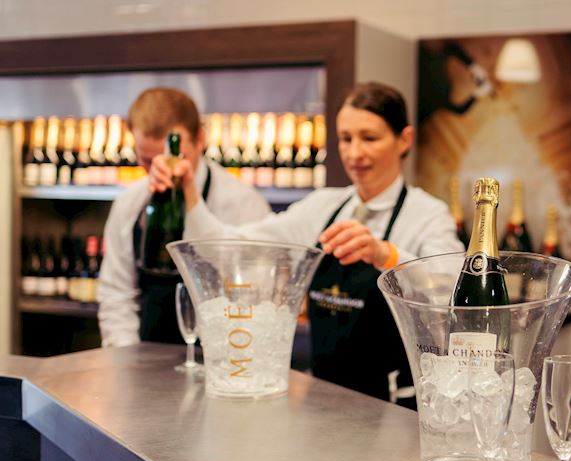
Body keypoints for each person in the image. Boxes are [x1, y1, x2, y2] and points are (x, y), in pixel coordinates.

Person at [149, 82, 463, 403]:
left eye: (369, 138)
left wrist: (385, 254)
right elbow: (229, 248)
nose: (355, 153)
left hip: (393, 405)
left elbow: (452, 292)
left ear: (404, 140)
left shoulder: (427, 214)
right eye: (346, 139)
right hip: (324, 396)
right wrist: (188, 190)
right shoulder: (323, 207)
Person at [98, 87, 271, 347]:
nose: (162, 170)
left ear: (199, 139)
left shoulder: (243, 203)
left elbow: (255, 297)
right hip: (145, 354)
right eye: (148, 161)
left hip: (221, 354)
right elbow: (117, 294)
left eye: (174, 159)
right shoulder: (129, 203)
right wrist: (128, 358)